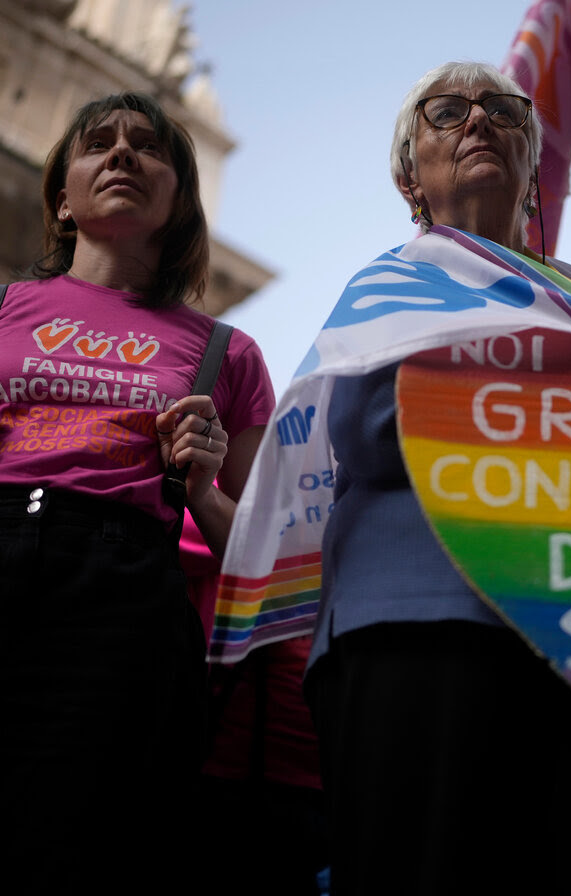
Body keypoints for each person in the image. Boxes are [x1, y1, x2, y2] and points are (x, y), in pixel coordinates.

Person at [301, 61, 571, 896]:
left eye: (502, 110)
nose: (478, 120)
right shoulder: (391, 286)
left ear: (531, 167)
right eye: (447, 112)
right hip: (425, 629)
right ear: (412, 176)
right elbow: (375, 433)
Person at [0, 92, 274, 894]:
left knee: (81, 838)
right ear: (63, 194)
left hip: (122, 597)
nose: (121, 154)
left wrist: (202, 487)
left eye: (148, 146)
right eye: (98, 144)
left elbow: (258, 552)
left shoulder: (229, 352)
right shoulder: (8, 310)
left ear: (181, 199)